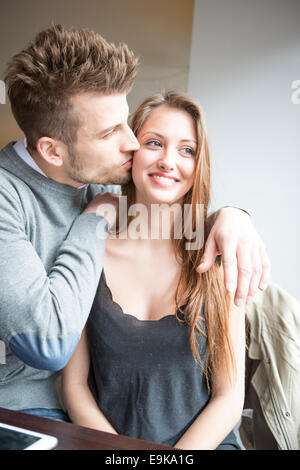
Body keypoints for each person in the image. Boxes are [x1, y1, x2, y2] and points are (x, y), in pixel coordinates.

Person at [0, 24, 269, 421]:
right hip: (19, 405)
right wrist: (93, 221)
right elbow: (50, 344)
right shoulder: (30, 201)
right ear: (52, 151)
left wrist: (232, 217)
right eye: (111, 132)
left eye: (127, 122)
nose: (132, 143)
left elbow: (165, 212)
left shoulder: (93, 178)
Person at [61, 91, 246, 450]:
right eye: (154, 143)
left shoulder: (218, 255)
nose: (167, 160)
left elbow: (228, 398)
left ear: (198, 165)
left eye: (186, 150)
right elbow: (74, 387)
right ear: (131, 151)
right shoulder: (90, 252)